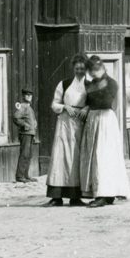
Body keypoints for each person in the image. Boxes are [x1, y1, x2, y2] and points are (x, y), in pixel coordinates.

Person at [79, 55, 130, 207]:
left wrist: (90, 103)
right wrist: (88, 106)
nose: (94, 73)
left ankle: (104, 194)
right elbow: (89, 100)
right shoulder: (90, 84)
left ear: (103, 68)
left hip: (105, 120)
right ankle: (102, 193)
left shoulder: (111, 83)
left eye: (96, 69)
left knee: (103, 156)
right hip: (93, 119)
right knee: (94, 156)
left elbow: (107, 101)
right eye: (91, 70)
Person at [45, 55, 89, 206]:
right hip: (64, 123)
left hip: (80, 124)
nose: (79, 71)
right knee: (61, 157)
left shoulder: (89, 85)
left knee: (76, 158)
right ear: (73, 68)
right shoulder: (64, 84)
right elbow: (54, 104)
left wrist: (87, 107)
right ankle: (56, 196)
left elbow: (96, 101)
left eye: (82, 68)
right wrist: (65, 106)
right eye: (77, 68)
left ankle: (75, 197)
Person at [13, 90, 38, 183]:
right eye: (27, 95)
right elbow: (15, 117)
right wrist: (24, 125)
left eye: (30, 95)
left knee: (28, 155)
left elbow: (31, 120)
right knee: (24, 154)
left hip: (30, 134)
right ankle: (19, 176)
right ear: (23, 96)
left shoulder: (29, 108)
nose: (29, 97)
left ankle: (25, 175)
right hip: (25, 133)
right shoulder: (23, 106)